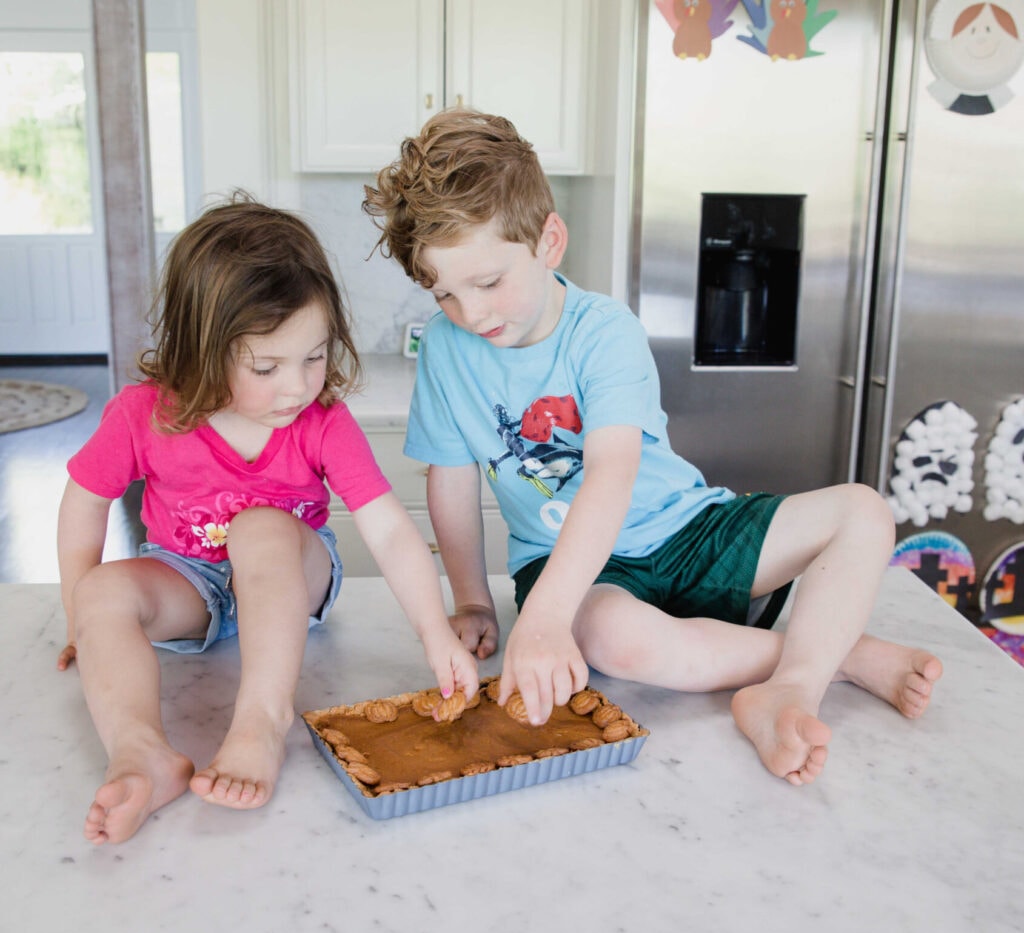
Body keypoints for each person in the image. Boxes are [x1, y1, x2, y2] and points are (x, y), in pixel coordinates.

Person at [362, 108, 943, 786]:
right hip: (570, 568)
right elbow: (451, 483)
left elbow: (612, 472)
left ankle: (796, 686)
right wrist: (473, 601)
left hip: (688, 529)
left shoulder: (603, 329)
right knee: (616, 641)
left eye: (488, 282)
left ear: (549, 240)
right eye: (445, 294)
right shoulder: (445, 349)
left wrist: (543, 620)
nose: (472, 313)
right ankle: (836, 652)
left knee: (865, 511)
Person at [57, 194, 480, 846]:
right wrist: (79, 618)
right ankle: (141, 752)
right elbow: (83, 501)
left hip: (293, 574)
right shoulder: (142, 414)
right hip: (188, 580)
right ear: (202, 351)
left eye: (314, 356)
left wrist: (434, 632)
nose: (298, 386)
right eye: (267, 367)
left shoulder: (323, 423)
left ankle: (260, 720)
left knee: (259, 527)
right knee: (103, 591)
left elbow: (390, 528)